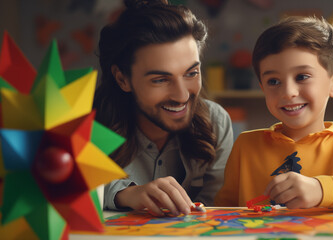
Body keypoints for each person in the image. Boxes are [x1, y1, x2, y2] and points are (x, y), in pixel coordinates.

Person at [214, 16, 333, 209]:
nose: (288, 92)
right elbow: (222, 210)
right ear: (262, 87)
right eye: (273, 81)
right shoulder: (245, 145)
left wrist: (321, 189)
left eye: (302, 77)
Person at [94, 0, 233, 216]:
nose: (182, 96)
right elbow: (64, 192)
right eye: (160, 79)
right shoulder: (86, 124)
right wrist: (125, 194)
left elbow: (216, 208)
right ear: (122, 79)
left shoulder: (216, 121)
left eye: (191, 73)